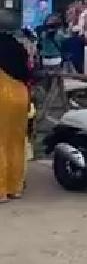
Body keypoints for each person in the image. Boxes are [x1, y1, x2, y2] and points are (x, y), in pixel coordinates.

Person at [0, 14, 32, 203]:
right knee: (16, 141)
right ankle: (15, 187)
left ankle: (1, 189)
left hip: (2, 92)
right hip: (20, 94)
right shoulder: (21, 47)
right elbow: (29, 72)